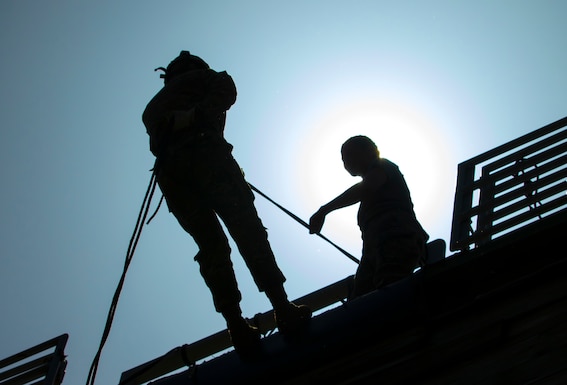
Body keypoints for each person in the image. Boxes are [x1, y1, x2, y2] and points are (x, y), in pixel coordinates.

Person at [142, 51, 311, 357]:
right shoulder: (204, 78)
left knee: (211, 247)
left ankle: (236, 325)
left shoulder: (151, 109)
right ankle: (282, 307)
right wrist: (198, 115)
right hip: (209, 157)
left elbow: (157, 142)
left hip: (171, 175)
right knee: (247, 229)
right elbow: (227, 89)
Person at [309, 135, 429, 298]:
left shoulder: (384, 166)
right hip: (374, 249)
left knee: (390, 292)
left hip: (395, 238)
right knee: (361, 300)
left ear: (369, 151)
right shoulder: (369, 194)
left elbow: (366, 187)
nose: (346, 163)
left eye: (350, 155)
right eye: (343, 159)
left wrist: (324, 210)